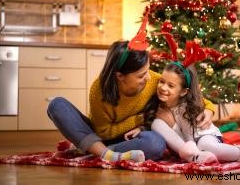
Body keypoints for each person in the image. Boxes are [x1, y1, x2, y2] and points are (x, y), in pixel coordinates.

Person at [47, 40, 216, 162]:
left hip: (133, 140)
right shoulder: (99, 90)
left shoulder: (153, 81)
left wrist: (208, 109)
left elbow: (192, 95)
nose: (149, 77)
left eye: (148, 70)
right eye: (141, 75)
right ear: (120, 76)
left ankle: (97, 152)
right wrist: (141, 119)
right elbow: (104, 133)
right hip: (101, 135)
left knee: (155, 144)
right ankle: (101, 151)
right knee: (57, 105)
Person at [145, 62, 240, 166]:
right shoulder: (157, 106)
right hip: (184, 147)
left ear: (183, 91)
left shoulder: (185, 107)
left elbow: (189, 135)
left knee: (206, 145)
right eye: (162, 82)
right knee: (156, 124)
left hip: (204, 136)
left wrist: (195, 148)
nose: (163, 88)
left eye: (170, 85)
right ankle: (194, 156)